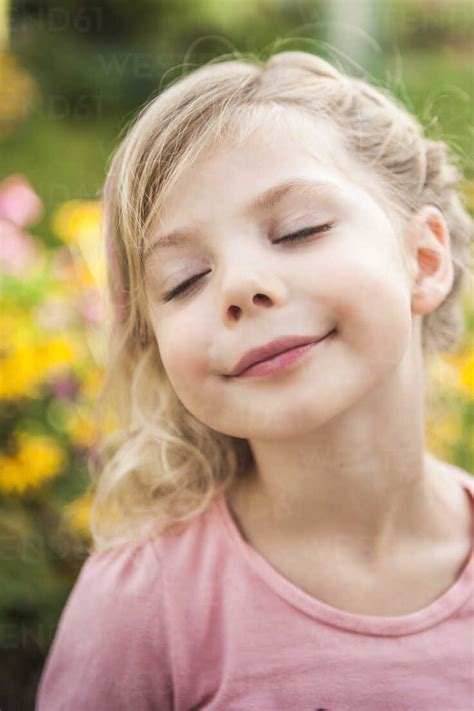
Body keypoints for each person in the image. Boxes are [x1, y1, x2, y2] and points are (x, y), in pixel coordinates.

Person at [35, 49, 473, 710]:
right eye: (184, 280)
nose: (240, 285)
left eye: (300, 230)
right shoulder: (143, 603)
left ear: (424, 257)